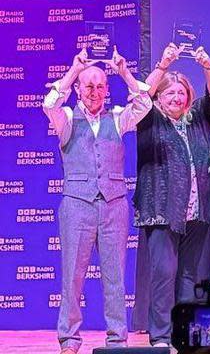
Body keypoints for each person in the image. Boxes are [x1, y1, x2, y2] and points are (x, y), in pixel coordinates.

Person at [43, 48, 152, 354]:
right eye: (88, 85)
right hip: (77, 205)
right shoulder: (66, 117)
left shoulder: (117, 118)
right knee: (73, 278)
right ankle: (69, 340)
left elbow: (144, 104)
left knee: (115, 278)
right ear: (78, 88)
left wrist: (125, 72)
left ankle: (117, 340)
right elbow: (49, 102)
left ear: (107, 89)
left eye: (100, 86)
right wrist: (74, 69)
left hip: (114, 205)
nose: (94, 92)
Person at [135, 43, 210, 348]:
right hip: (161, 209)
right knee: (164, 272)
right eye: (169, 93)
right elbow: (139, 96)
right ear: (159, 97)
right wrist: (162, 64)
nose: (176, 97)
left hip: (197, 212)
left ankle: (182, 334)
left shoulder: (197, 117)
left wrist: (208, 66)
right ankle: (159, 336)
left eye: (180, 92)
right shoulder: (150, 118)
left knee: (187, 275)